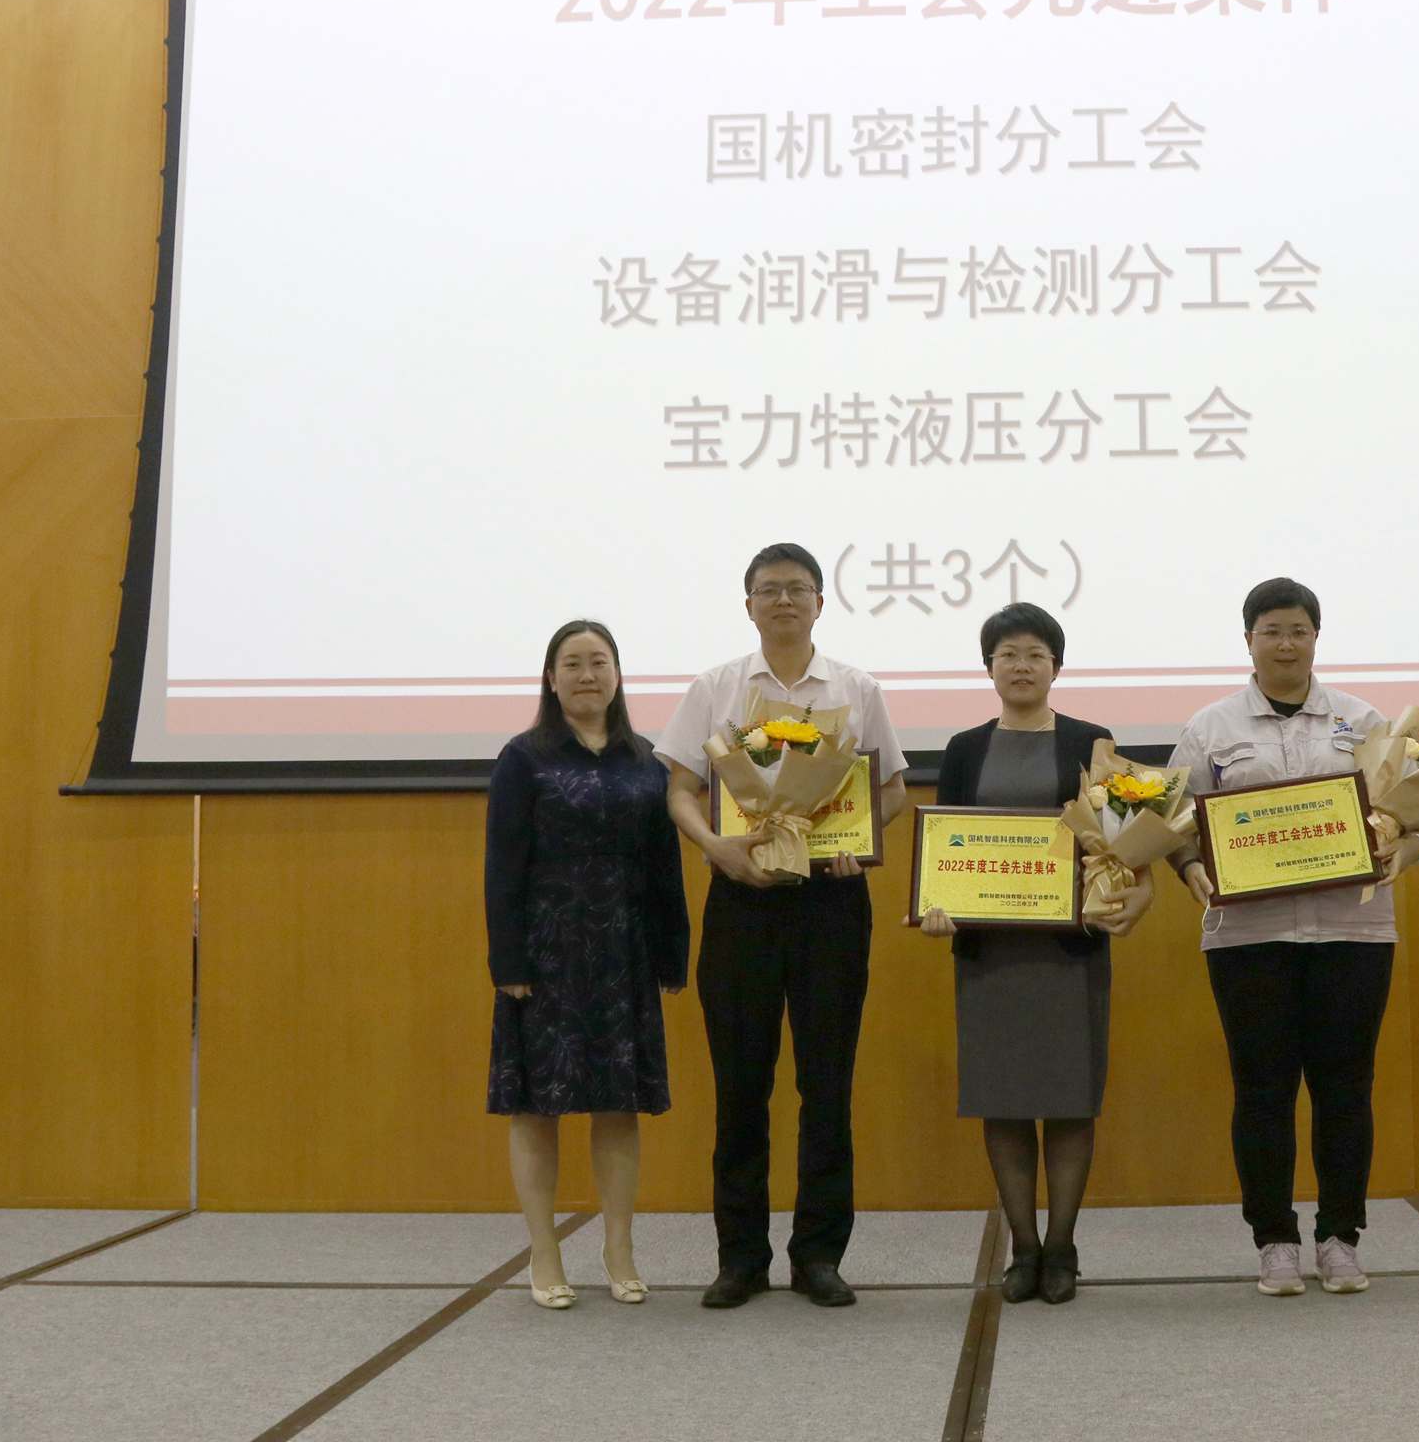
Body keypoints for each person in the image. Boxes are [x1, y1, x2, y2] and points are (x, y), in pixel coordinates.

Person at [657, 542, 909, 1310]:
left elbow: (892, 790)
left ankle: (819, 1255)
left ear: (821, 603)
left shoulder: (856, 688)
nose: (784, 601)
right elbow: (681, 789)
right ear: (749, 605)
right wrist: (715, 848)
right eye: (769, 590)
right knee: (741, 1086)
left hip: (832, 903)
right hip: (741, 900)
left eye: (798, 589)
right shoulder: (716, 688)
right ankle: (740, 1258)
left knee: (826, 1084)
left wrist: (860, 845)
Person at [1167, 577, 1406, 1297]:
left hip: (1353, 933)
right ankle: (1274, 1240)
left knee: (1346, 1088)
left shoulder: (1365, 722)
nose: (1286, 644)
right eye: (1271, 630)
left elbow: (1410, 819)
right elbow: (1173, 828)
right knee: (1262, 1091)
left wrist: (1403, 848)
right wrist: (1190, 869)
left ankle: (1340, 1239)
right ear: (1249, 640)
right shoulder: (1209, 729)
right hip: (1248, 938)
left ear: (1315, 638)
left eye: (1299, 630)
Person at [918, 604, 1153, 1305]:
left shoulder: (1090, 742)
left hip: (1068, 947)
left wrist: (1133, 892)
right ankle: (1022, 1248)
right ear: (988, 667)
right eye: (1008, 655)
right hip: (990, 952)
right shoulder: (963, 748)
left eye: (1035, 655)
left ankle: (1062, 1248)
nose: (1021, 666)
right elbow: (941, 846)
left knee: (1071, 1103)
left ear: (1057, 666)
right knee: (1005, 1102)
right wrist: (935, 907)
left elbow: (1121, 839)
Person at [484, 619, 690, 1309]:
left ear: (618, 674)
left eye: (599, 661)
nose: (586, 675)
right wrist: (508, 960)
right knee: (536, 1108)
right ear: (551, 678)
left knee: (618, 1106)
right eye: (571, 663)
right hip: (545, 952)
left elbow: (664, 864)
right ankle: (543, 1253)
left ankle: (618, 1248)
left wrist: (671, 951)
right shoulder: (523, 758)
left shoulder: (646, 759)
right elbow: (502, 866)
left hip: (624, 951)